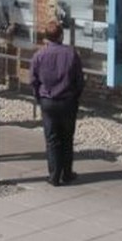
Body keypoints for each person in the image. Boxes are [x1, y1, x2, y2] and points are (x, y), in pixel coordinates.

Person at [30, 20, 85, 186]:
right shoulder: (71, 54)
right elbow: (79, 80)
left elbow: (33, 80)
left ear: (46, 37)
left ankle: (54, 175)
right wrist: (75, 96)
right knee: (67, 138)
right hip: (67, 100)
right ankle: (67, 173)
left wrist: (39, 97)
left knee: (52, 139)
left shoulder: (39, 55)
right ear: (61, 36)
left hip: (48, 101)